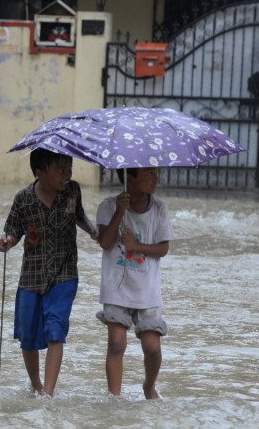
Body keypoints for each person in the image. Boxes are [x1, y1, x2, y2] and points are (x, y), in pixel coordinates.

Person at [0, 148, 97, 397]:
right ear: (39, 173)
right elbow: (14, 231)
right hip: (32, 275)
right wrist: (6, 241)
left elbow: (79, 215)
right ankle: (36, 384)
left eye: (69, 168)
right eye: (61, 170)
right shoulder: (23, 199)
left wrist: (94, 232)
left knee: (56, 329)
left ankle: (48, 394)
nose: (67, 174)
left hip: (65, 273)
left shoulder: (73, 190)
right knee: (28, 335)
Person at [95, 167, 174, 400]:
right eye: (149, 174)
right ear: (130, 177)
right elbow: (105, 242)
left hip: (146, 290)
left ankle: (149, 387)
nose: (155, 179)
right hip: (116, 290)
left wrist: (136, 247)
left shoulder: (159, 208)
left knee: (152, 347)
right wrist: (120, 211)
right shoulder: (108, 206)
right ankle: (114, 398)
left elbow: (163, 248)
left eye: (156, 173)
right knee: (117, 344)